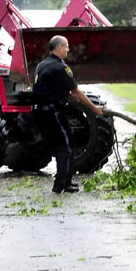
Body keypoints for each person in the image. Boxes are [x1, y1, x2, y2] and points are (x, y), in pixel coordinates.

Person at [32, 35, 104, 194]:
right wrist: (94, 108)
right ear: (58, 48)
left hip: (40, 112)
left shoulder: (42, 65)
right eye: (66, 47)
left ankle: (62, 182)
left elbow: (48, 87)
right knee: (66, 147)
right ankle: (62, 184)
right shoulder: (61, 68)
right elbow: (76, 91)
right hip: (53, 112)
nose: (68, 50)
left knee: (60, 146)